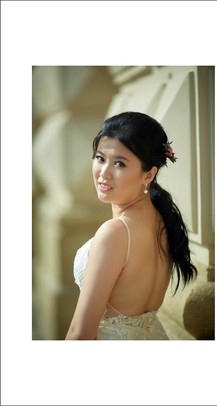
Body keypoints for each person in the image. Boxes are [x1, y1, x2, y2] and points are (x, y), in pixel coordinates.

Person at [66, 111, 197, 340]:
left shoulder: (115, 233)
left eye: (119, 163)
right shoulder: (163, 221)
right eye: (100, 158)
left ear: (149, 174)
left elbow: (80, 332)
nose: (104, 173)